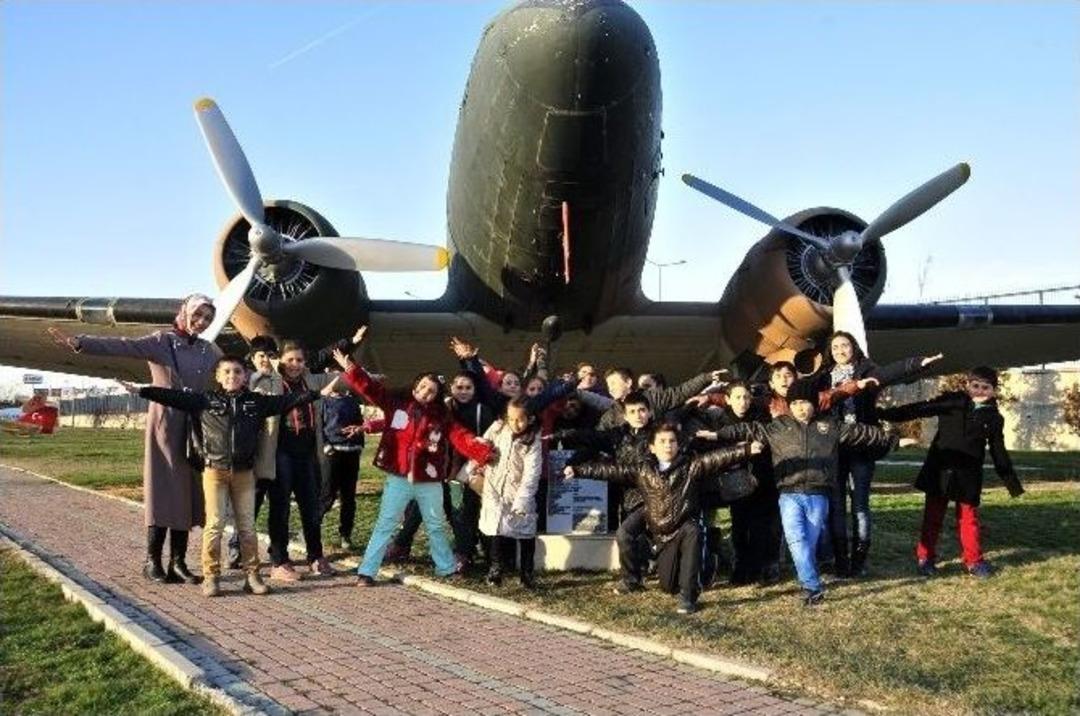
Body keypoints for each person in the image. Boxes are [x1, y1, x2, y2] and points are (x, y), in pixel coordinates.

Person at [48, 294, 221, 584]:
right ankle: (152, 560)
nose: (202, 322)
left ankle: (178, 561)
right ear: (185, 312)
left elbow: (236, 370)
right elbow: (123, 346)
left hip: (193, 425)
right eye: (198, 315)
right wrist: (81, 342)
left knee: (188, 491)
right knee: (164, 487)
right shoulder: (162, 341)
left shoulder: (208, 349)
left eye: (208, 318)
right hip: (165, 422)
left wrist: (268, 377)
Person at [133, 356, 325, 597]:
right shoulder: (206, 400)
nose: (232, 376)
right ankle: (211, 577)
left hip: (244, 474)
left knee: (247, 528)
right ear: (218, 376)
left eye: (237, 372)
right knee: (214, 525)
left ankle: (252, 576)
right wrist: (143, 391)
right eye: (226, 372)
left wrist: (315, 394)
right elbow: (173, 397)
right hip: (215, 472)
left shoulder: (256, 402)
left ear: (245, 376)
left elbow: (287, 400)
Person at [713, 379, 903, 605]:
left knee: (808, 544)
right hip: (789, 494)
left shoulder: (830, 427)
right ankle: (812, 587)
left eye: (805, 402)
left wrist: (893, 439)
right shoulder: (779, 427)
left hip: (819, 495)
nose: (800, 408)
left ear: (814, 403)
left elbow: (861, 433)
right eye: (795, 403)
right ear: (790, 405)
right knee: (795, 540)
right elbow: (747, 429)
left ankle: (808, 577)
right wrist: (717, 435)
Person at [331, 331, 494, 586]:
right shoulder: (397, 404)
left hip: (429, 480)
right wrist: (351, 368)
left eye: (431, 391)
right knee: (386, 523)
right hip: (399, 477)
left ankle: (446, 567)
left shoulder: (442, 415)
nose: (425, 394)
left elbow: (460, 437)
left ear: (438, 394)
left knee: (436, 524)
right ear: (414, 387)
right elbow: (371, 390)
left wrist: (482, 451)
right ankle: (367, 570)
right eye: (421, 388)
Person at [566, 423, 760, 615]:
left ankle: (689, 596)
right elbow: (611, 470)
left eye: (672, 441)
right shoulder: (643, 470)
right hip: (663, 534)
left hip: (685, 526)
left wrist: (746, 449)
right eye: (662, 441)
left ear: (678, 444)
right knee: (668, 586)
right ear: (652, 447)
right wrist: (578, 470)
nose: (668, 445)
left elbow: (716, 459)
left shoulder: (690, 465)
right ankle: (708, 563)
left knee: (694, 531)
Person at [813, 332, 943, 576]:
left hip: (863, 447)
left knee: (860, 506)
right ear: (830, 351)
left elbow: (889, 372)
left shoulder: (866, 371)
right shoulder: (822, 377)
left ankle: (858, 562)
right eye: (836, 347)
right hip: (833, 450)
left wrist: (916, 363)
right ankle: (841, 561)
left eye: (845, 345)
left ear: (854, 348)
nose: (841, 350)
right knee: (837, 507)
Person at [876, 366, 1024, 579]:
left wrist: (1011, 481)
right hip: (940, 469)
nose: (980, 391)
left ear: (993, 390)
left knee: (969, 519)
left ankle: (974, 561)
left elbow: (998, 450)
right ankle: (925, 557)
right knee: (933, 517)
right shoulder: (952, 402)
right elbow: (920, 409)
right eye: (976, 386)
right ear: (967, 385)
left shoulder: (994, 418)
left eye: (986, 387)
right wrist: (886, 414)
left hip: (968, 475)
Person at [551, 391, 656, 594]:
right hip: (629, 496)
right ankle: (641, 572)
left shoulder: (658, 436)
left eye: (642, 410)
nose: (638, 415)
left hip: (654, 496)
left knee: (626, 533)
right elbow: (593, 443)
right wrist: (572, 461)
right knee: (635, 536)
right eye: (632, 411)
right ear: (625, 415)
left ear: (650, 412)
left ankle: (632, 580)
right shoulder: (618, 435)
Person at [693, 380, 780, 586]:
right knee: (740, 526)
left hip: (762, 478)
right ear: (728, 400)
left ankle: (758, 569)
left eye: (746, 397)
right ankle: (740, 567)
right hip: (734, 481)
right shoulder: (720, 421)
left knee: (760, 527)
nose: (743, 402)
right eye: (738, 397)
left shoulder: (761, 419)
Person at [266, 340, 340, 581]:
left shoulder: (310, 380)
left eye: (299, 360)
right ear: (280, 361)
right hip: (281, 450)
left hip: (306, 451)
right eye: (290, 360)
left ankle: (315, 556)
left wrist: (364, 376)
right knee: (281, 507)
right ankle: (279, 560)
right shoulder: (272, 382)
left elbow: (342, 379)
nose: (295, 365)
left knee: (311, 506)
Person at [475, 397, 543, 588]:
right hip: (494, 488)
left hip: (518, 492)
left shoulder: (532, 441)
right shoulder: (498, 429)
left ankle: (527, 572)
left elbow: (532, 473)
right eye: (511, 419)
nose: (515, 423)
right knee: (495, 529)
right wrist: (480, 460)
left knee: (525, 533)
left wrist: (523, 499)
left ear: (530, 418)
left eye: (520, 419)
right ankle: (496, 568)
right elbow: (481, 446)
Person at [227, 335, 280, 570]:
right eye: (261, 356)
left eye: (270, 355)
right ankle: (236, 549)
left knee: (278, 508)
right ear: (253, 358)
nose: (266, 360)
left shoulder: (280, 381)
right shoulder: (244, 381)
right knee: (250, 507)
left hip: (277, 452)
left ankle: (277, 551)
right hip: (253, 455)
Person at [319, 373, 365, 552]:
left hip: (351, 453)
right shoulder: (323, 401)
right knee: (327, 495)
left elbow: (359, 424)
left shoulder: (352, 401)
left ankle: (346, 534)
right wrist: (325, 446)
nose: (338, 381)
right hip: (332, 452)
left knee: (349, 498)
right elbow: (319, 426)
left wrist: (359, 444)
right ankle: (312, 529)